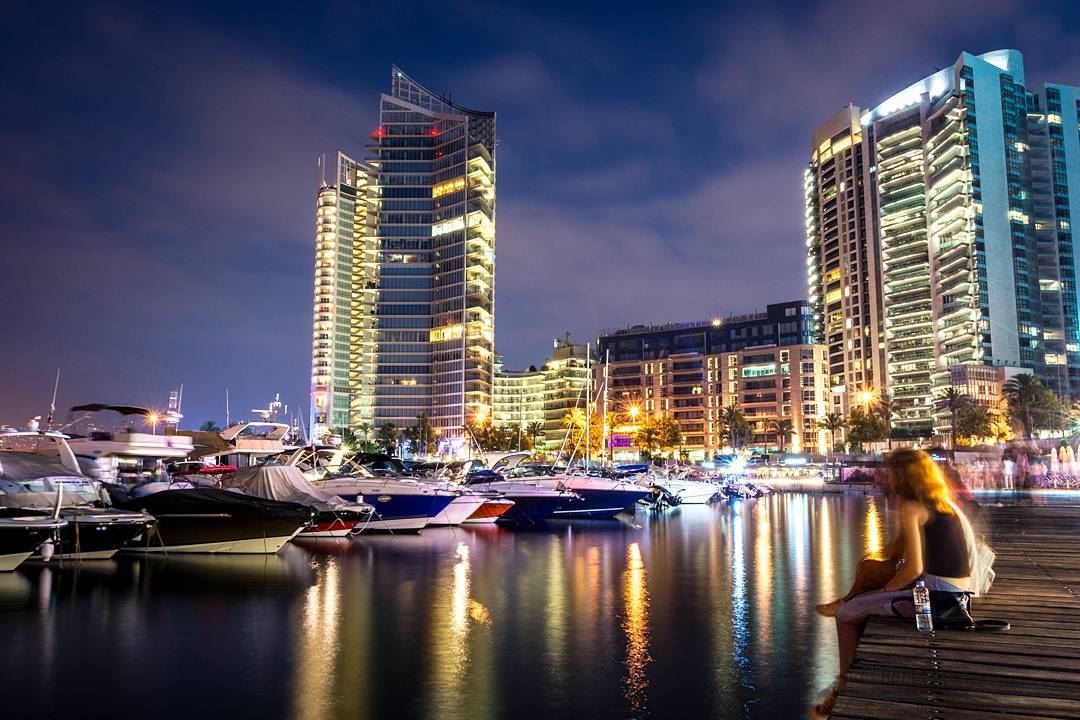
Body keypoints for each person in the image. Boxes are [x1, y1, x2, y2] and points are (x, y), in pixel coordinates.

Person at [812, 449, 973, 718]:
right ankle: (851, 652)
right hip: (957, 594)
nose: (883, 476)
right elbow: (895, 551)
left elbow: (914, 568)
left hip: (933, 602)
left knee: (846, 614)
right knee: (862, 598)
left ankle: (843, 683)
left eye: (889, 471)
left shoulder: (912, 507)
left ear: (903, 476)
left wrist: (880, 592)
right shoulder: (937, 502)